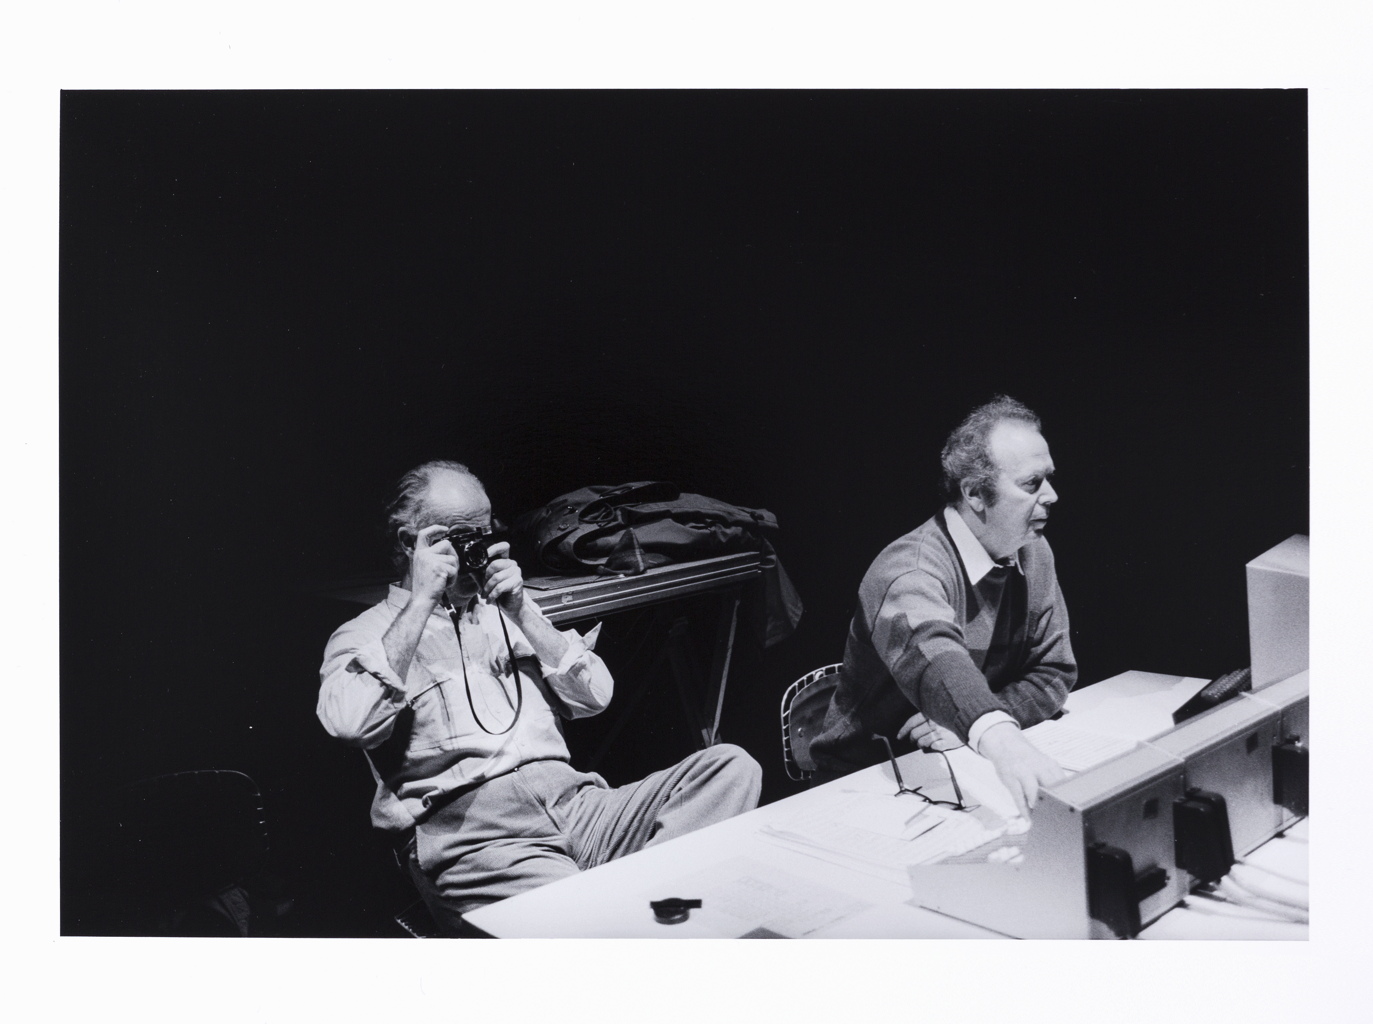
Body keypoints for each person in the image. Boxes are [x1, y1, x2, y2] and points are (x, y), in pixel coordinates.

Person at [318, 460, 762, 934]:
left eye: (482, 535)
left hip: (578, 805)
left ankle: (632, 916)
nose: (474, 553)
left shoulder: (506, 612)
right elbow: (349, 724)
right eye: (455, 538)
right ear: (411, 543)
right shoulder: (365, 635)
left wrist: (522, 611)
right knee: (591, 921)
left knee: (730, 767)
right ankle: (637, 919)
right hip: (478, 843)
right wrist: (422, 601)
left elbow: (596, 696)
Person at [809, 396, 1074, 817]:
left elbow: (1054, 670)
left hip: (959, 763)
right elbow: (936, 658)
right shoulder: (908, 570)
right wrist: (999, 739)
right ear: (974, 493)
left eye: (1049, 478)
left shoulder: (1033, 552)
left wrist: (967, 724)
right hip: (870, 783)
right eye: (1031, 483)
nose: (1052, 495)